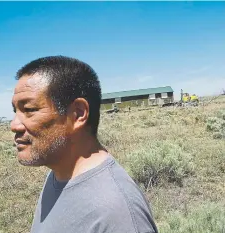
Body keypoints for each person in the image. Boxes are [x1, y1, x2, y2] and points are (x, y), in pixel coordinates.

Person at [11, 56, 158, 233]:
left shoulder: (116, 214)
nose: (14, 125)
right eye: (16, 111)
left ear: (78, 114)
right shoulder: (59, 174)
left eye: (29, 109)